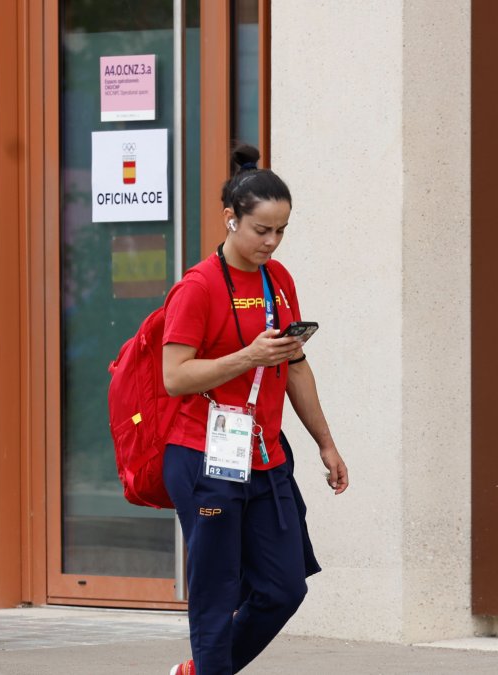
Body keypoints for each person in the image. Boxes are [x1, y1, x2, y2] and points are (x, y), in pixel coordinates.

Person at [159, 144, 349, 675]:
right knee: (216, 594)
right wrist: (247, 355)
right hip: (204, 454)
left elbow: (296, 367)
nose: (271, 241)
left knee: (283, 587)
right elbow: (175, 377)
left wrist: (326, 444)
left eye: (281, 230)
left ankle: (201, 670)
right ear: (230, 219)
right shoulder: (197, 288)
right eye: (261, 229)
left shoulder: (278, 280)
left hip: (265, 456)